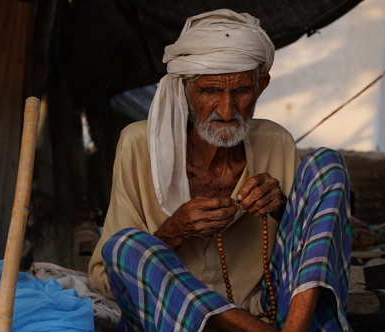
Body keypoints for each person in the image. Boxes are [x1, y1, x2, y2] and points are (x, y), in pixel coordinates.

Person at [89, 9, 352, 332]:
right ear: (186, 90)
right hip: (170, 321)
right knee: (125, 245)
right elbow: (105, 276)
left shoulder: (276, 142)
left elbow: (305, 244)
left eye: (241, 91)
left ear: (261, 85)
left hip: (268, 311)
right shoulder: (138, 145)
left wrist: (283, 208)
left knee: (327, 165)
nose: (227, 110)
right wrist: (175, 232)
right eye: (210, 91)